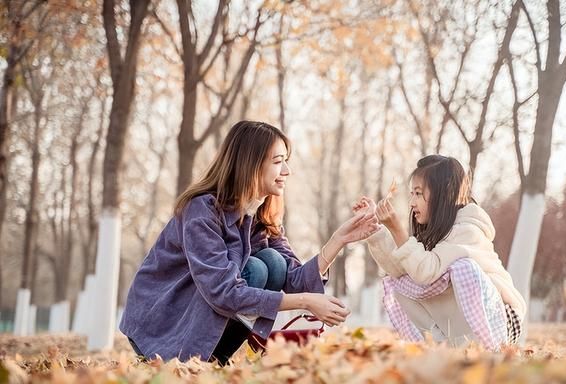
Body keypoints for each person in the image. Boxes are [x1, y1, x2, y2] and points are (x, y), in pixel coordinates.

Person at [120, 121, 379, 364]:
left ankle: (214, 358)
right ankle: (197, 358)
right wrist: (306, 301)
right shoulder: (202, 210)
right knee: (256, 269)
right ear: (251, 165)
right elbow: (223, 292)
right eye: (278, 162)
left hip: (200, 314)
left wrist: (339, 240)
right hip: (164, 325)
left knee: (273, 263)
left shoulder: (261, 213)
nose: (287, 171)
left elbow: (293, 279)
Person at [354, 155, 525, 348]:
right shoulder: (434, 233)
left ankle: (489, 349)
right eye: (412, 194)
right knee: (397, 282)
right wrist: (375, 229)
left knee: (463, 268)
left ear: (444, 194)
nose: (412, 202)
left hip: (502, 319)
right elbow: (400, 268)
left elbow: (427, 272)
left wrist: (397, 229)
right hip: (462, 323)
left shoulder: (468, 230)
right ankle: (433, 348)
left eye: (418, 194)